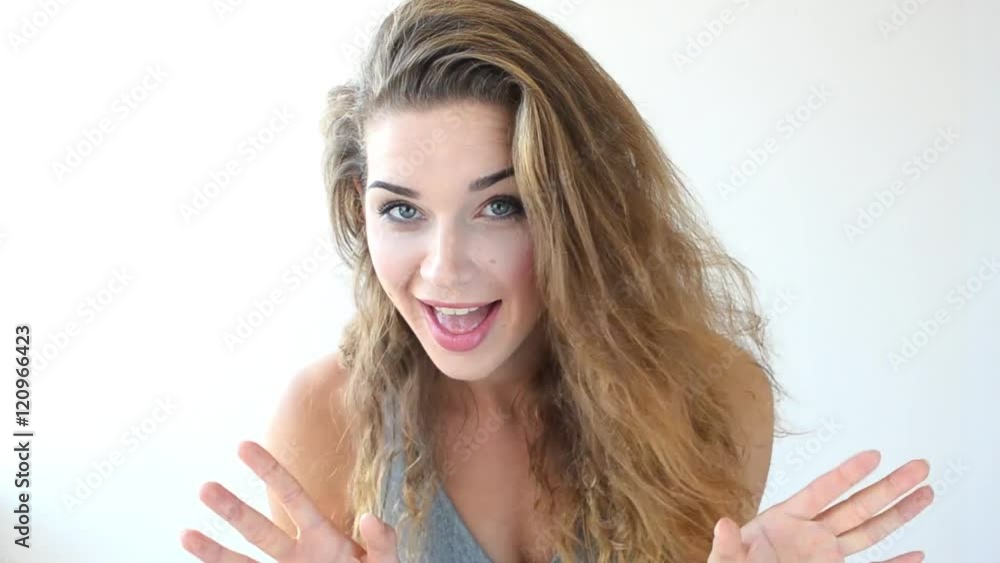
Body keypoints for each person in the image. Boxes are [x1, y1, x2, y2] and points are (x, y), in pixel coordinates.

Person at [180, 0, 934, 561]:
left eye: (501, 205)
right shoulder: (327, 418)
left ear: (582, 210)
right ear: (360, 207)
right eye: (402, 210)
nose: (444, 268)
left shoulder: (713, 402)